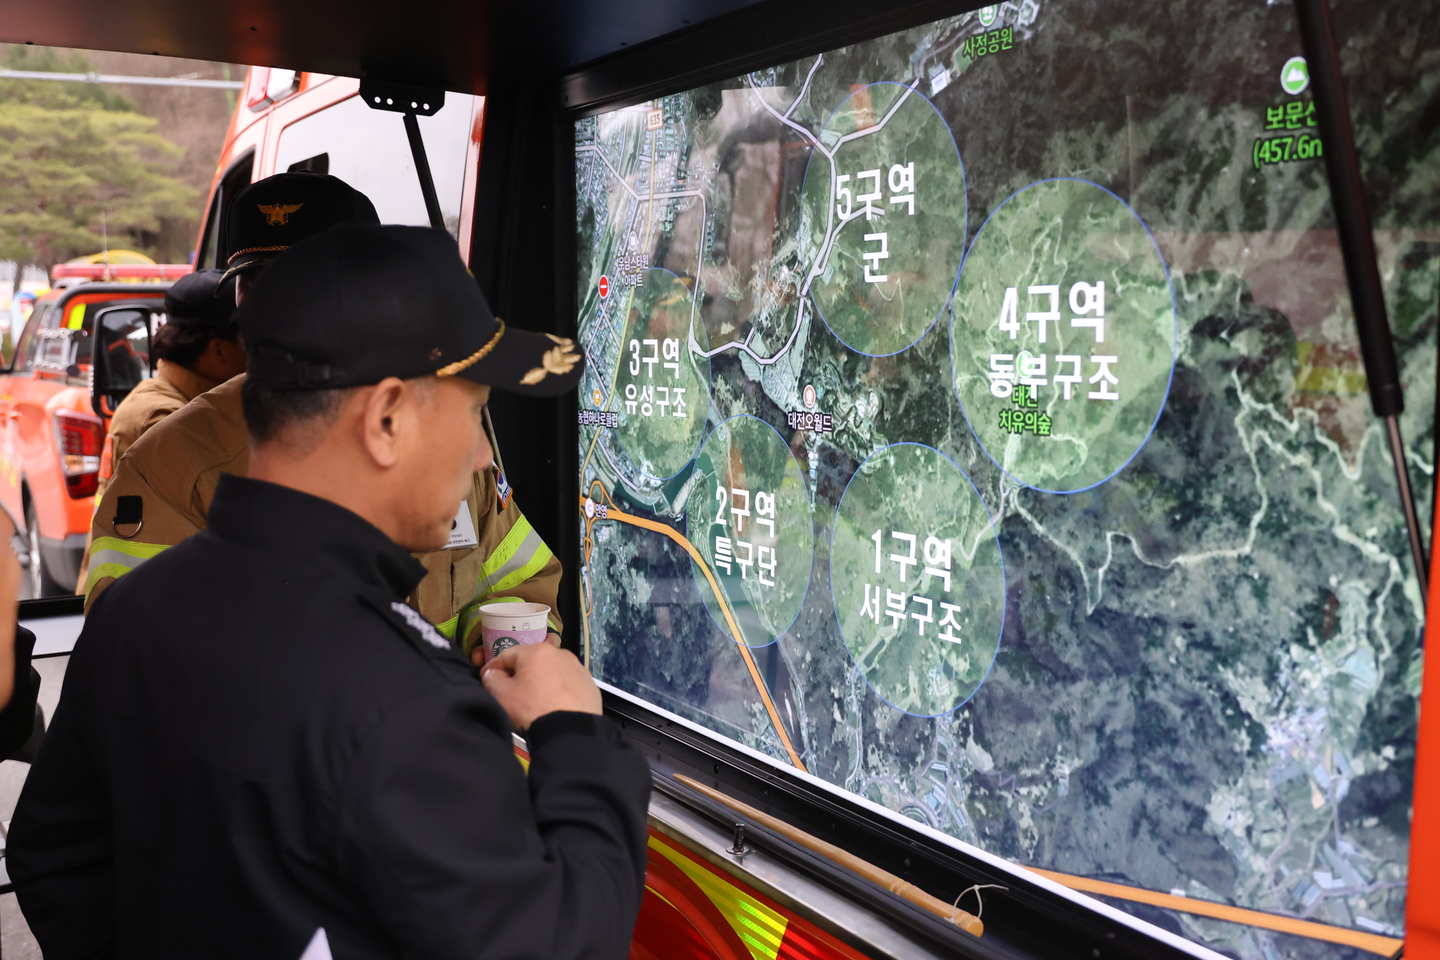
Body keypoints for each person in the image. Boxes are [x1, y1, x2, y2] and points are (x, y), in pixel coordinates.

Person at [8, 225, 648, 958]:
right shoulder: (407, 709)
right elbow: (563, 944)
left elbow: (53, 854)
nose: (479, 453)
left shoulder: (134, 615)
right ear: (383, 421)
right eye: (473, 413)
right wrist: (576, 739)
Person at [83, 173, 561, 658]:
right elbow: (145, 665)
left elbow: (522, 581)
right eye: (257, 287)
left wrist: (500, 644)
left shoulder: (443, 440)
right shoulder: (169, 470)